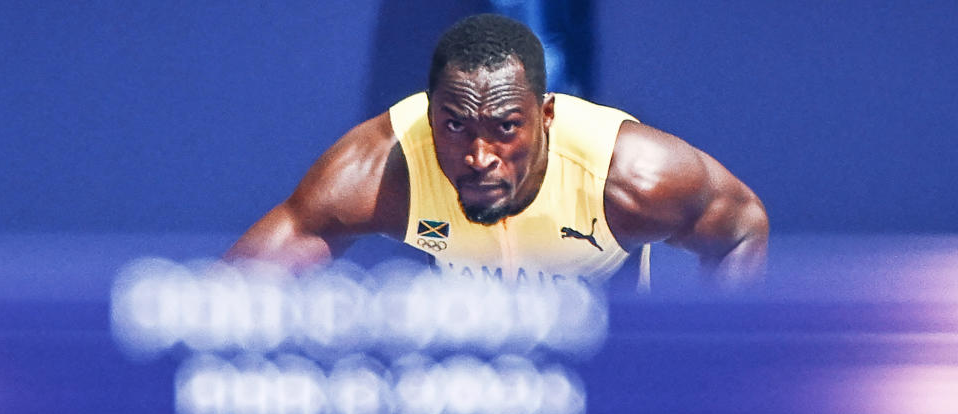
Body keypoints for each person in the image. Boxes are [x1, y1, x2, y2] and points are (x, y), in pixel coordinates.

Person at [226, 13, 768, 290]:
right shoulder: (384, 168)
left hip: (607, 372)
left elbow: (742, 226)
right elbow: (224, 297)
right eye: (455, 125)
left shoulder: (627, 177)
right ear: (428, 113)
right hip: (476, 382)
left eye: (506, 127)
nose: (480, 154)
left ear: (546, 117)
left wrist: (711, 389)